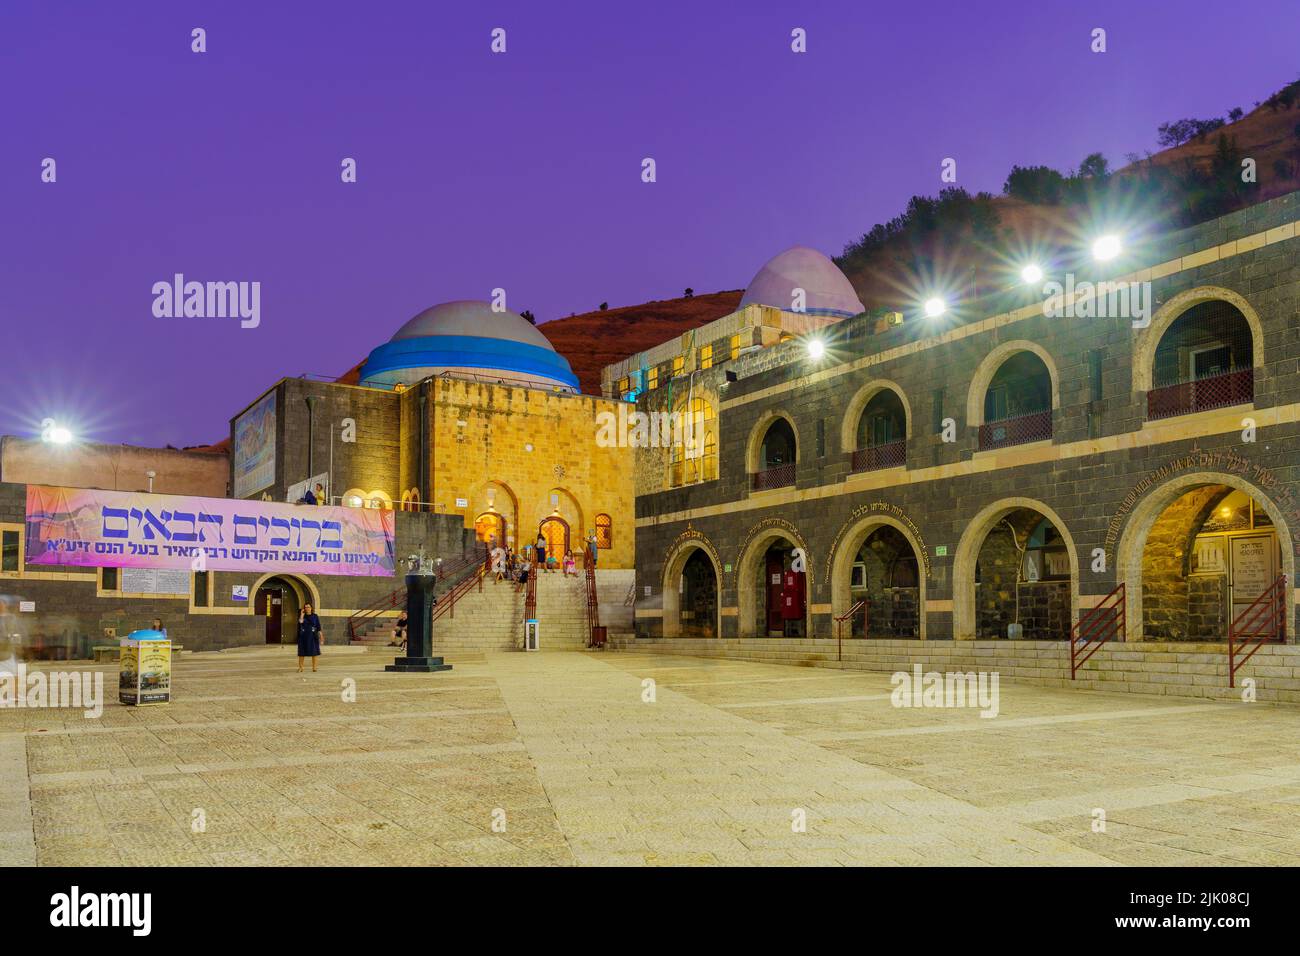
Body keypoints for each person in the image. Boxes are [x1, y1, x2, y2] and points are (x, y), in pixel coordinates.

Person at [297, 603, 322, 673]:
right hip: (303, 636)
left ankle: (314, 667)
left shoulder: (315, 616)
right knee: (301, 653)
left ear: (311, 608)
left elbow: (318, 626)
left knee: (314, 652)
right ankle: (301, 668)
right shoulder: (302, 616)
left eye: (308, 607)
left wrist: (321, 636)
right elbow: (300, 622)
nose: (307, 608)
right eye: (305, 607)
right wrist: (302, 614)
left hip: (313, 636)